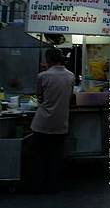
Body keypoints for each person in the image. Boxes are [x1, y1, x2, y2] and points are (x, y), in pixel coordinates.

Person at [30, 48, 75, 193]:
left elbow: (39, 97)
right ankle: (54, 185)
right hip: (61, 123)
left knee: (39, 155)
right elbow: (69, 97)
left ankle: (39, 185)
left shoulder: (42, 76)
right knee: (56, 156)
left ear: (48, 60)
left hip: (41, 123)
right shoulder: (71, 76)